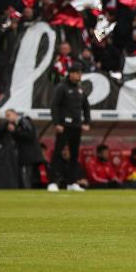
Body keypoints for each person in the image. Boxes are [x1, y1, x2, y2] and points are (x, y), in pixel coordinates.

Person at [49, 61, 90, 191]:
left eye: (80, 73)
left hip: (76, 126)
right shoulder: (61, 87)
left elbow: (86, 107)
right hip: (64, 126)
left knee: (74, 155)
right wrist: (56, 123)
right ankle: (53, 182)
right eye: (77, 73)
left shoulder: (80, 89)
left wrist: (87, 122)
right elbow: (54, 106)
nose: (79, 76)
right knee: (57, 153)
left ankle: (72, 182)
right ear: (71, 74)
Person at [6, 109, 43, 189]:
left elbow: (30, 135)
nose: (7, 118)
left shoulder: (23, 121)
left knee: (26, 175)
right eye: (6, 116)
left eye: (8, 115)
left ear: (15, 114)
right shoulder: (17, 125)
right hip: (26, 155)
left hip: (28, 155)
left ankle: (28, 190)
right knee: (27, 175)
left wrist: (15, 131)